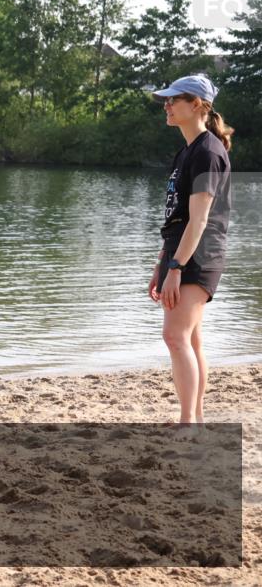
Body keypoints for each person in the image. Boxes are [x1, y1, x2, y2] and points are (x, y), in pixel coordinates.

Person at [146, 74, 233, 426]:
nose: (166, 106)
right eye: (165, 100)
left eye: (173, 100)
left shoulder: (208, 153)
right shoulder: (187, 151)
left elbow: (198, 221)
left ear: (196, 104)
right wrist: (161, 264)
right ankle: (194, 418)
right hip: (180, 252)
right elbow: (177, 217)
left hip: (198, 256)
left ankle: (188, 424)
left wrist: (177, 266)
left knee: (175, 336)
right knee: (191, 339)